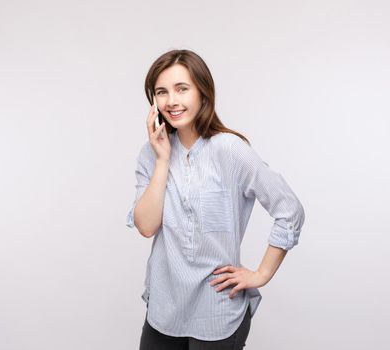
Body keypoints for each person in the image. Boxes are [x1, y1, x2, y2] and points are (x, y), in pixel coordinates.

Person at [126, 49, 305, 350]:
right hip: (164, 310)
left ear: (202, 92)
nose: (171, 101)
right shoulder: (150, 154)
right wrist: (162, 161)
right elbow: (146, 226)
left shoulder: (230, 150)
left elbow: (289, 209)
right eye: (161, 92)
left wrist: (261, 274)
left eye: (182, 89)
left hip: (217, 312)